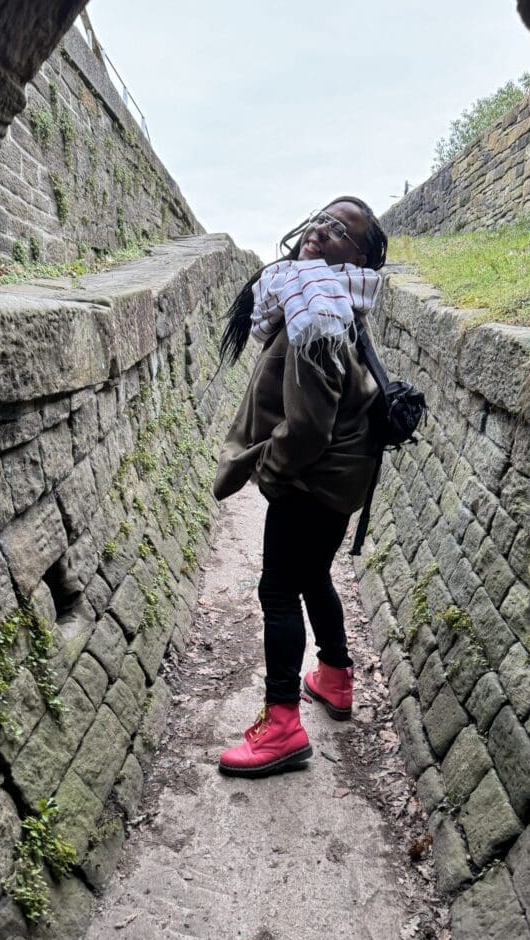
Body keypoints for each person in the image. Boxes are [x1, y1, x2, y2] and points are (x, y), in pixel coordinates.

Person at [212, 197, 388, 777]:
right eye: (321, 219)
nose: (321, 229)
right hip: (342, 477)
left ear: (360, 256)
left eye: (341, 230)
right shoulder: (332, 295)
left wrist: (274, 470)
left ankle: (281, 725)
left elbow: (310, 423)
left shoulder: (319, 310)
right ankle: (334, 679)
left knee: (279, 590)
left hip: (313, 479)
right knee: (313, 575)